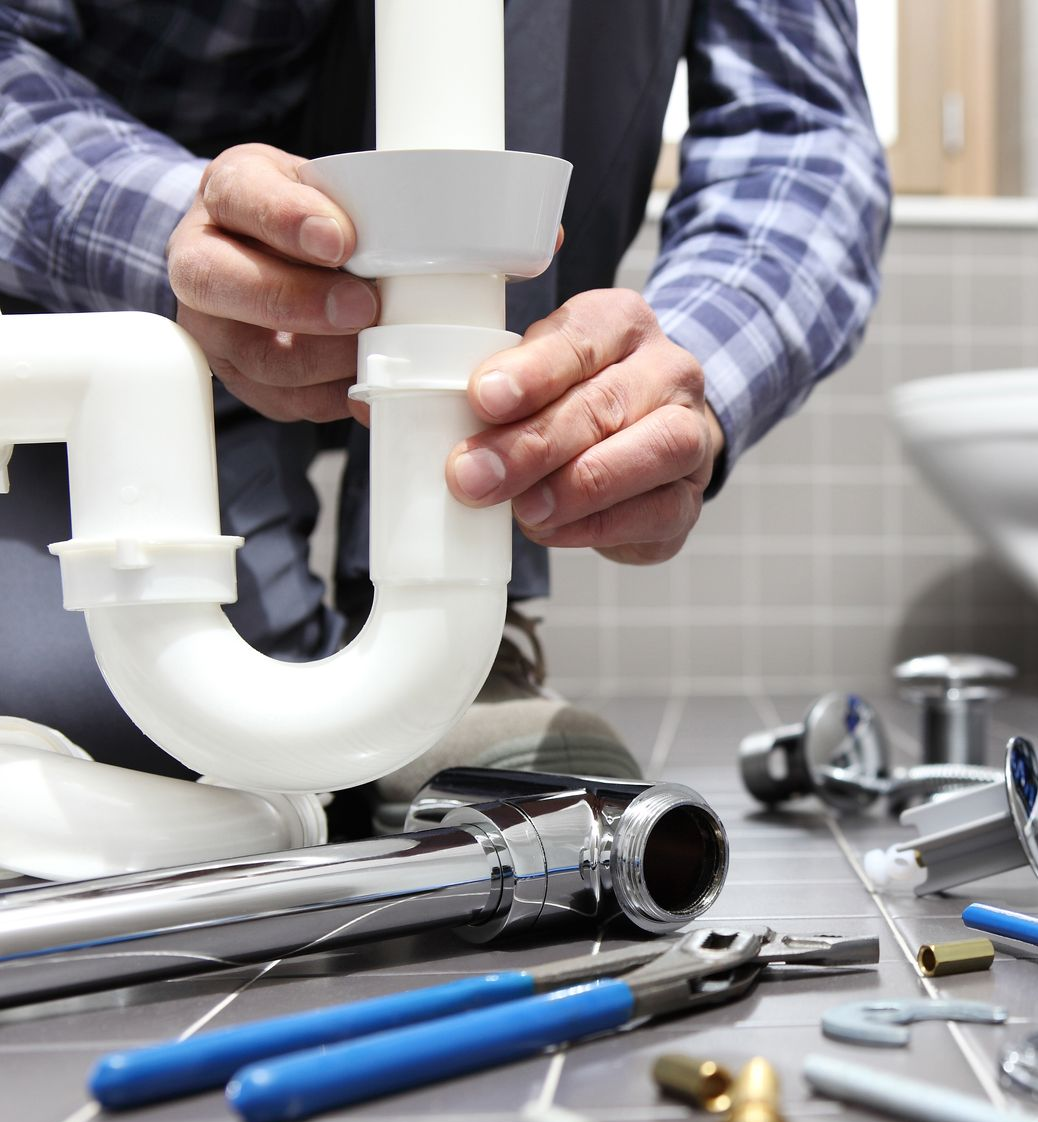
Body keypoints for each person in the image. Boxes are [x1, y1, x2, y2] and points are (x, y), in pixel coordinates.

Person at [0, 0, 889, 829]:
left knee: (243, 754)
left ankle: (456, 639)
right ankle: (370, 656)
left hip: (456, 335)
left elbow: (803, 131)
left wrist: (670, 373)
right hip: (97, 312)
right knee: (95, 712)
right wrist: (175, 236)